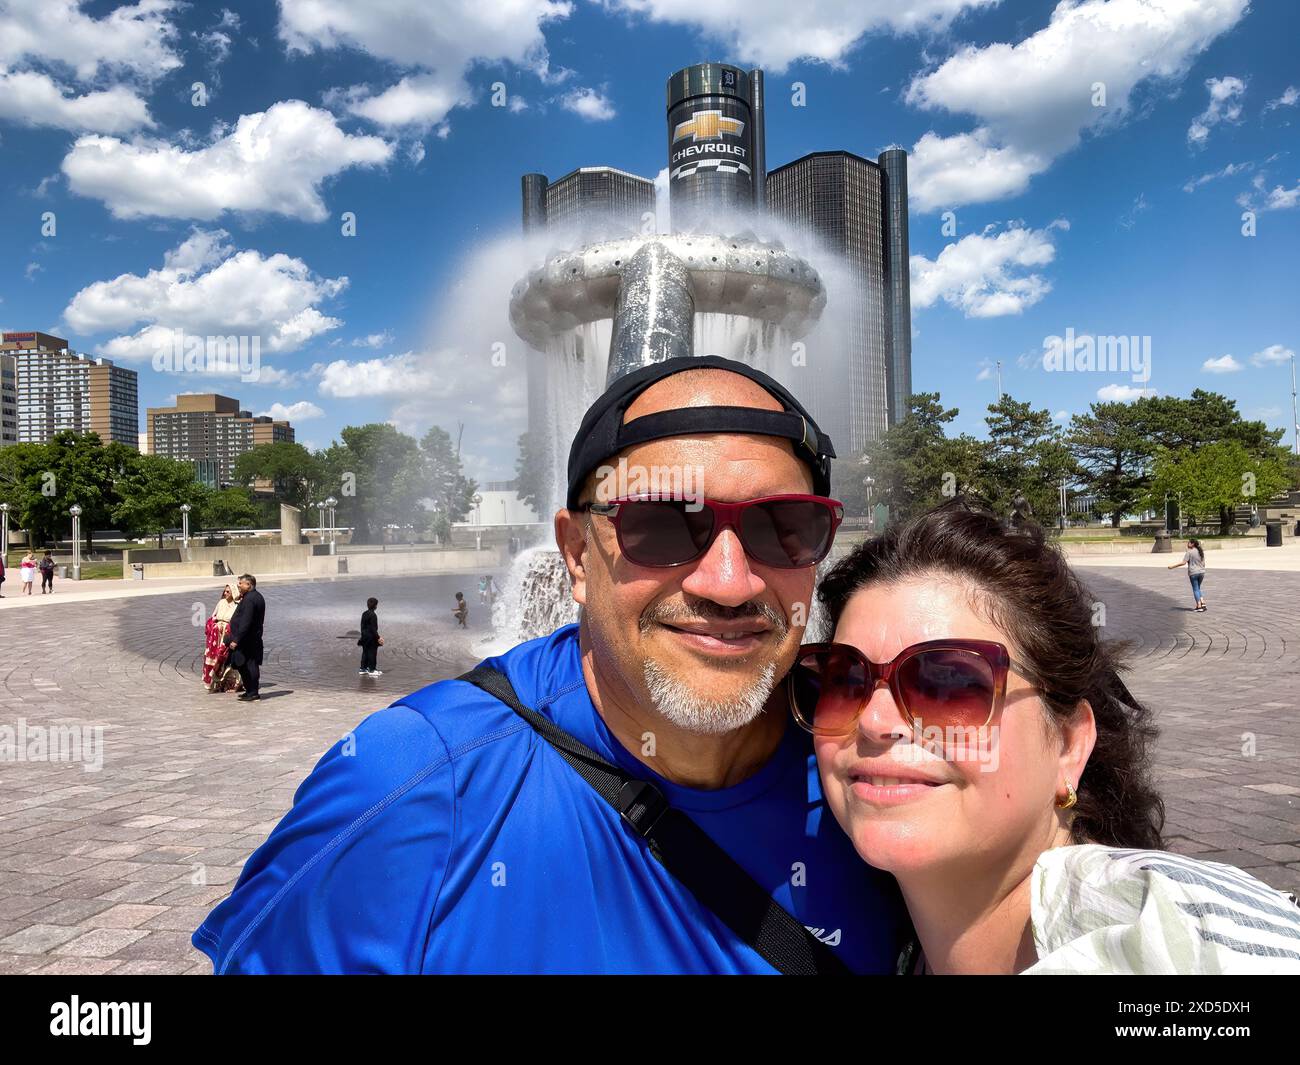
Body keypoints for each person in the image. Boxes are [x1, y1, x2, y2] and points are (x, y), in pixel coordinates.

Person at [193, 354, 906, 974]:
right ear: (575, 555)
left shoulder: (881, 779)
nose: (728, 581)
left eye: (783, 529)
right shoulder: (409, 785)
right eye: (660, 523)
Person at [800, 501, 1300, 973]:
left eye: (948, 682)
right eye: (845, 679)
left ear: (1067, 744)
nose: (872, 720)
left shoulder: (1169, 930)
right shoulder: (870, 941)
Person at [224, 573, 265, 702]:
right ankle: (249, 691)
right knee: (243, 665)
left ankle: (253, 692)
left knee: (249, 665)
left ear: (248, 584)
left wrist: (236, 639)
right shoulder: (254, 596)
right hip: (249, 639)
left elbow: (246, 622)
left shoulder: (250, 599)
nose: (238, 586)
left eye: (241, 583)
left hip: (247, 640)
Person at [204, 585, 243, 692]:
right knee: (216, 658)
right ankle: (215, 683)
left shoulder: (237, 605)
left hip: (228, 635)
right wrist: (214, 624)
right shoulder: (221, 603)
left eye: (228, 592)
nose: (225, 593)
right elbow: (213, 617)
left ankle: (230, 682)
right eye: (225, 591)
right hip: (217, 636)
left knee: (226, 658)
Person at [1168, 537, 1207, 611]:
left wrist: (1172, 567)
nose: (1187, 544)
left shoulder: (1189, 552)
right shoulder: (1201, 552)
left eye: (1189, 542)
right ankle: (1203, 603)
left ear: (1192, 544)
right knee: (1198, 588)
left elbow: (1183, 563)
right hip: (1202, 572)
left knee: (1195, 589)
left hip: (1193, 573)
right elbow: (1204, 563)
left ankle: (1199, 606)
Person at [358, 597, 383, 677]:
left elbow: (362, 626)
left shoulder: (364, 613)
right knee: (372, 653)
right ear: (375, 606)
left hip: (364, 636)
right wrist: (378, 638)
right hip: (371, 637)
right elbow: (373, 628)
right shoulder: (373, 615)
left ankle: (363, 669)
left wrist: (362, 635)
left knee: (365, 652)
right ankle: (372, 670)